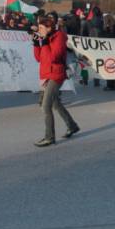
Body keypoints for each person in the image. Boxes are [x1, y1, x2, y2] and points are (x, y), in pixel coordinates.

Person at [32, 16, 80, 147]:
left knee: (46, 106)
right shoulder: (46, 38)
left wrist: (46, 42)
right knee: (55, 104)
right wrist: (36, 44)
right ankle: (72, 125)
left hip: (56, 74)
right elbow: (38, 58)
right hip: (47, 73)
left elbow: (55, 56)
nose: (39, 30)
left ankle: (49, 137)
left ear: (49, 28)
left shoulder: (58, 37)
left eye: (42, 28)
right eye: (39, 28)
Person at [102, 13, 115, 91]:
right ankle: (114, 81)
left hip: (108, 51)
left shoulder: (106, 29)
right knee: (114, 66)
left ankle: (110, 85)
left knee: (109, 67)